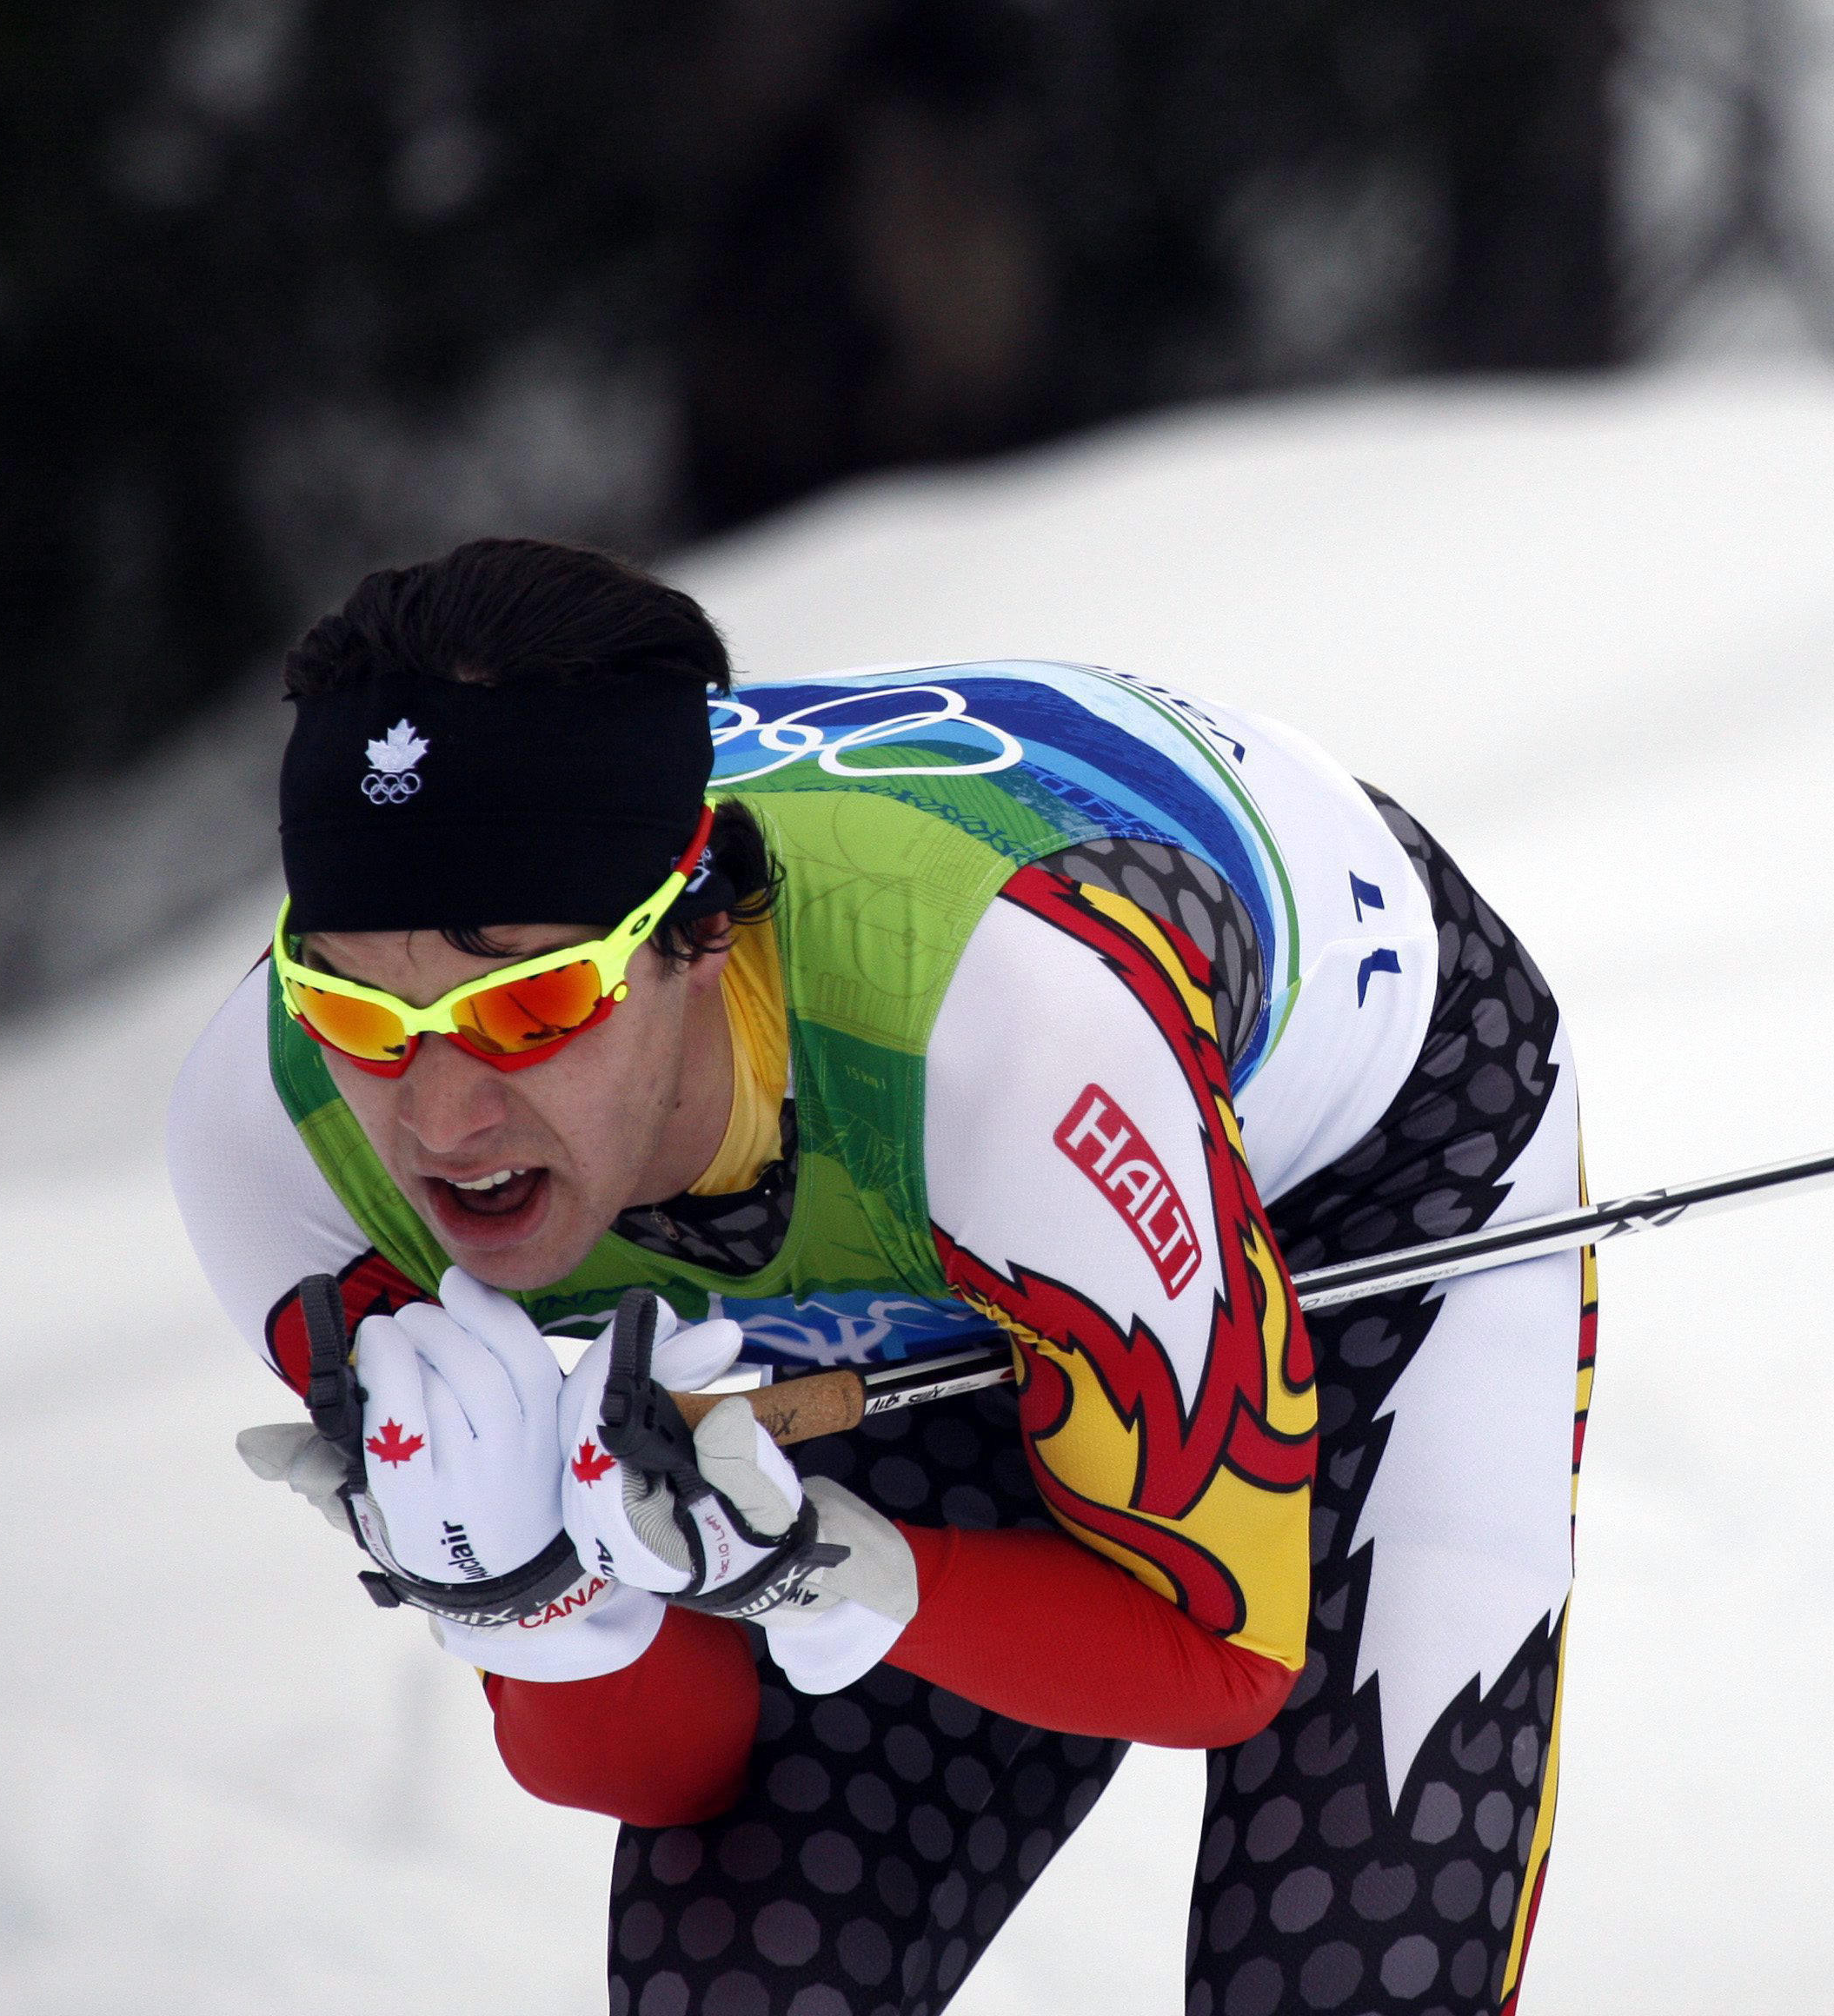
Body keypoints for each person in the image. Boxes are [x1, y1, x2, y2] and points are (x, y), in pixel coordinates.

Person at [165, 538, 1595, 2016]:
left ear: (699, 932)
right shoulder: (276, 1149)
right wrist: (536, 1595)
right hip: (948, 1236)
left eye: (529, 1007)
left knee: (1351, 1966)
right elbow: (666, 1775)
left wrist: (820, 1568)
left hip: (1351, 1170)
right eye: (355, 1011)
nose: (441, 1120)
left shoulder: (1009, 1043)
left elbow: (1215, 1652)